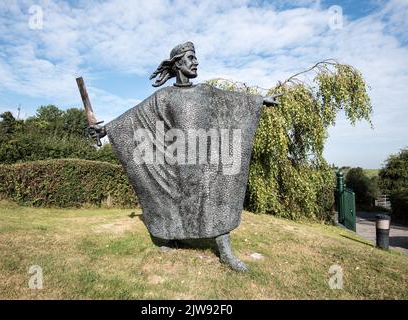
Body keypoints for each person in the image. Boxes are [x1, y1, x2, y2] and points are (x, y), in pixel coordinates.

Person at [89, 42, 280, 271]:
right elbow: (133, 117)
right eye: (190, 58)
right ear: (178, 63)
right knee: (169, 199)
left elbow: (233, 101)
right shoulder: (163, 97)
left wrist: (260, 100)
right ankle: (169, 237)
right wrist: (106, 129)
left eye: (195, 58)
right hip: (175, 163)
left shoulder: (206, 91)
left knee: (216, 200)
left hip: (206, 161)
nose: (196, 62)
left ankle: (225, 252)